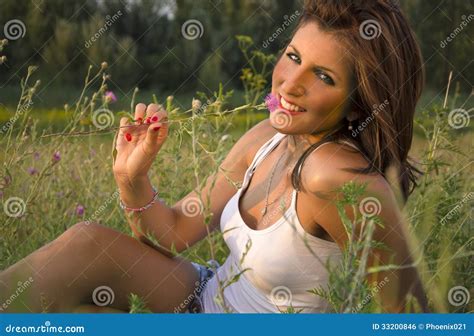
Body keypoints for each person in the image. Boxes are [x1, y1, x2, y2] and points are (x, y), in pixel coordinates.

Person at [0, 0, 429, 313]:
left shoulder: (336, 179)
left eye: (323, 76)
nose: (289, 85)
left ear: (358, 103)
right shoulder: (267, 137)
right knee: (84, 248)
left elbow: (414, 319)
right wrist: (133, 178)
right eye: (293, 57)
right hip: (203, 297)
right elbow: (172, 231)